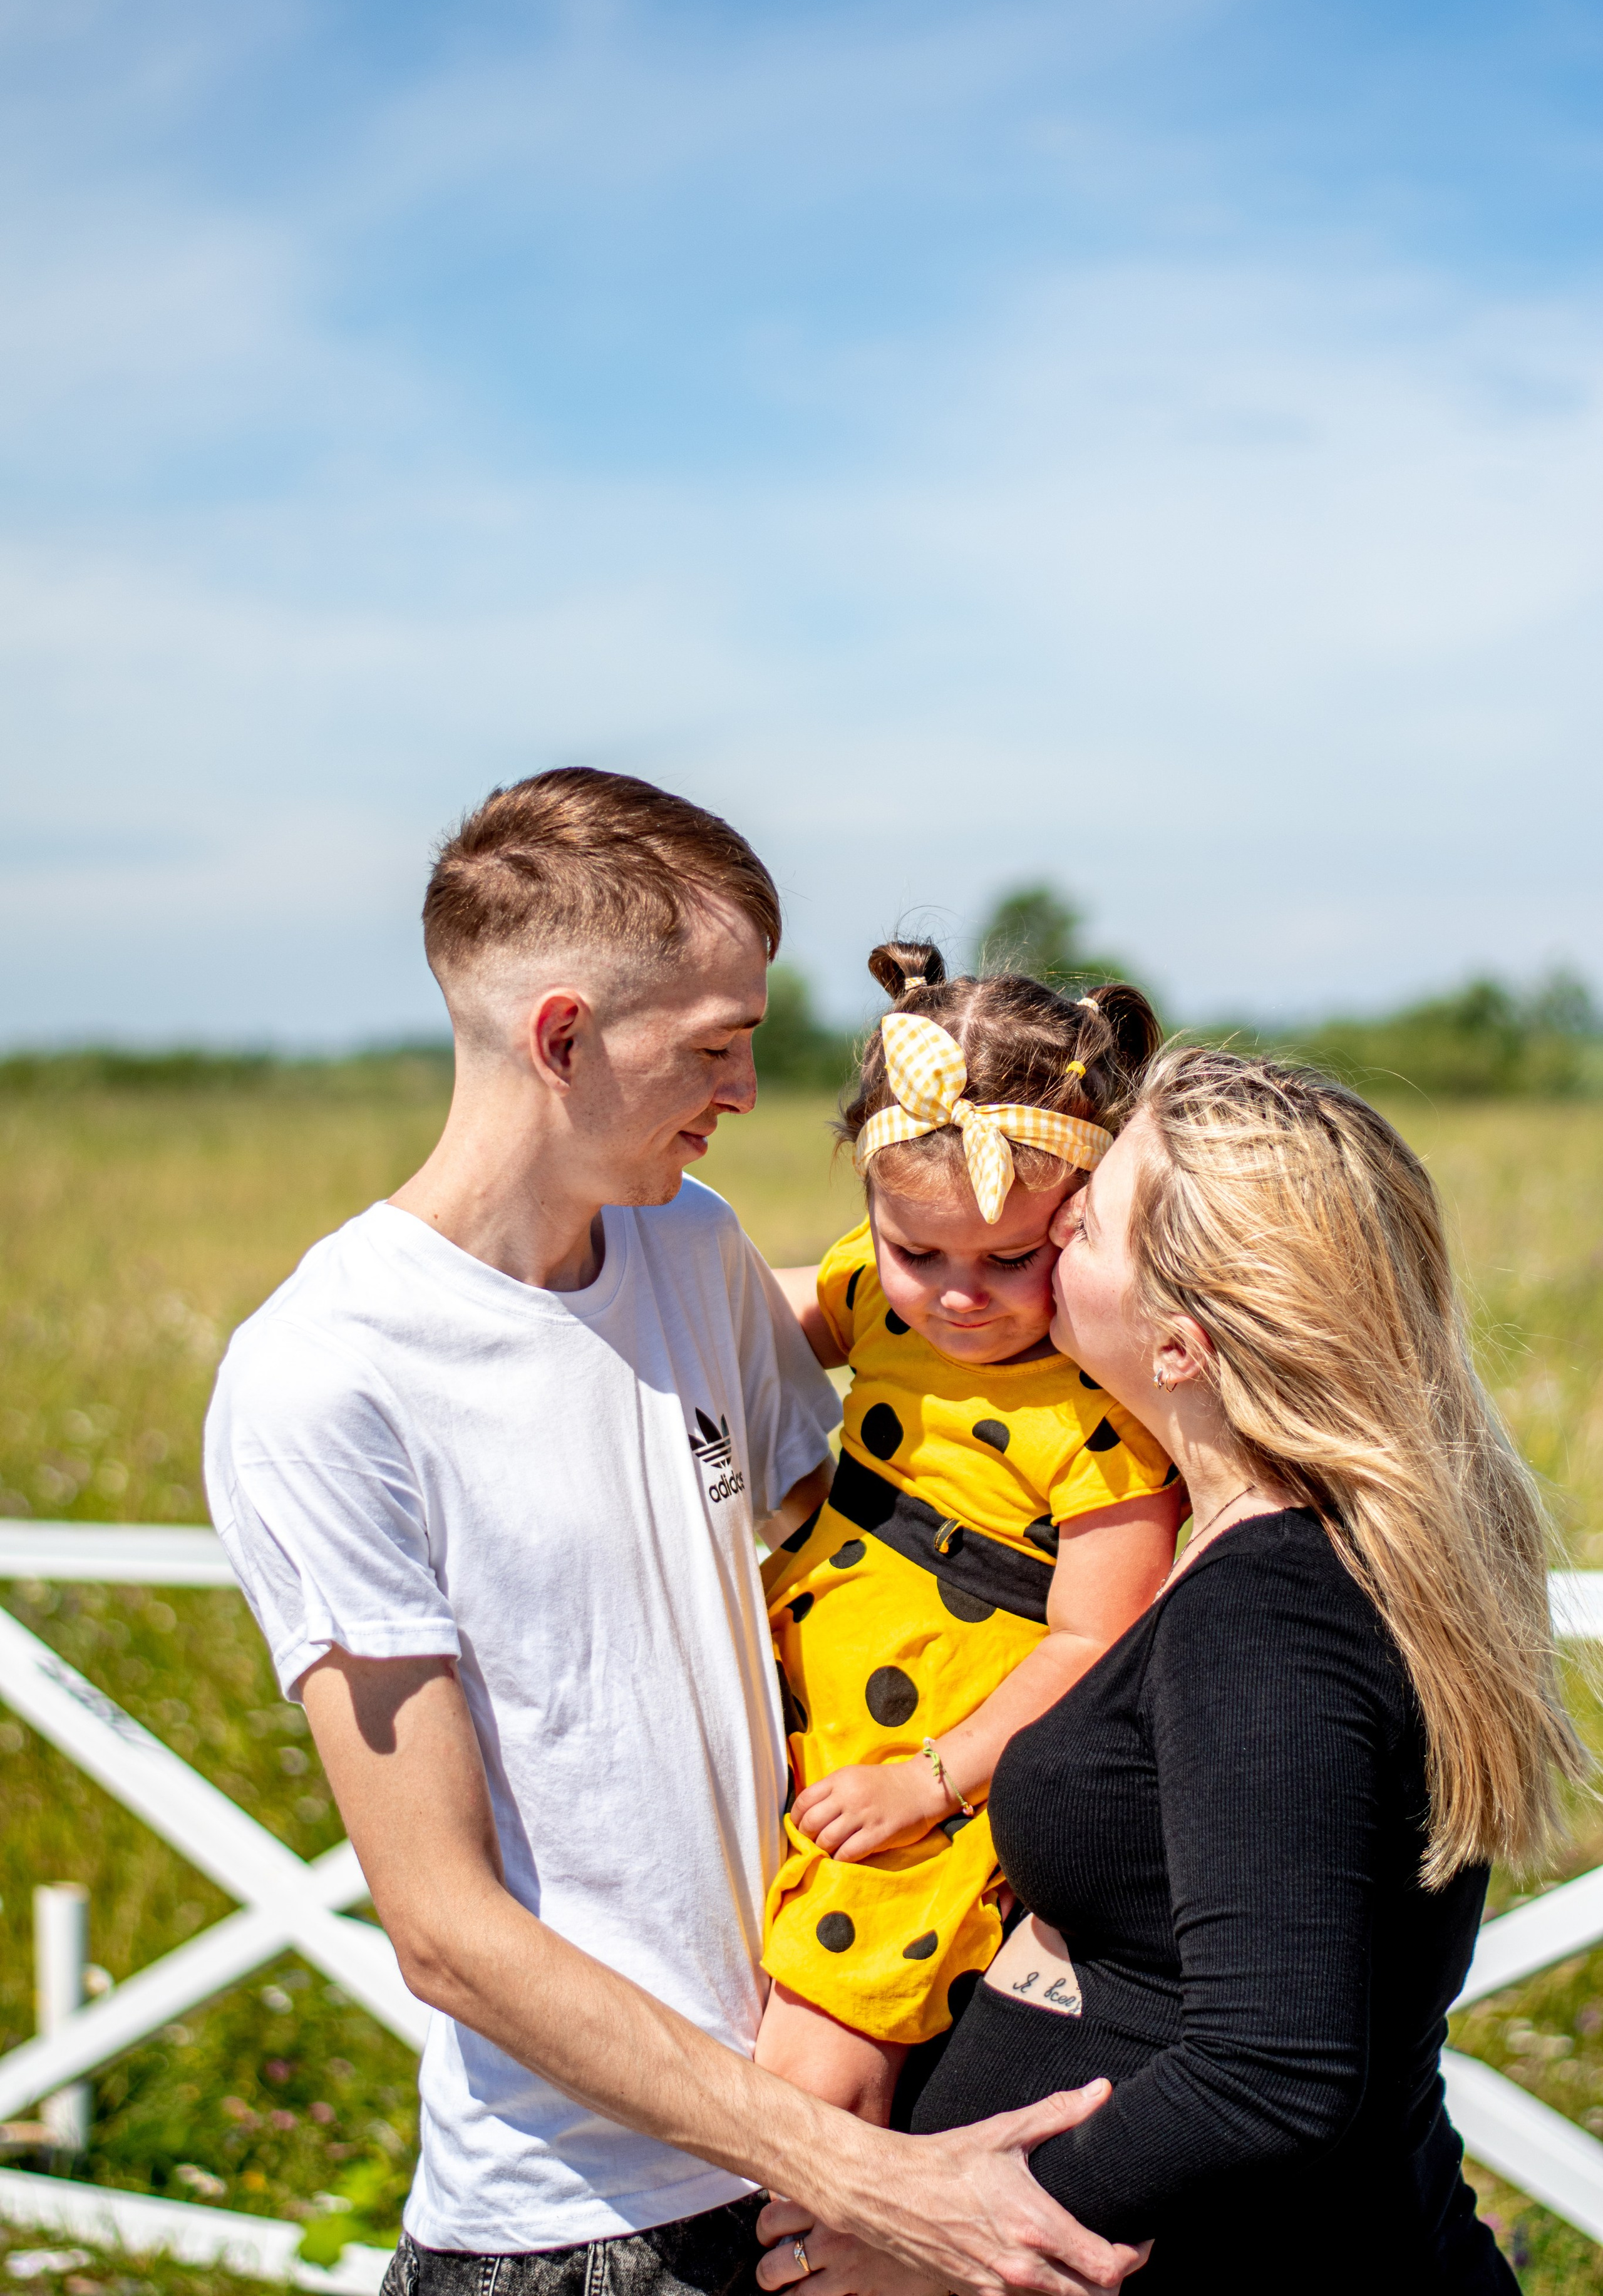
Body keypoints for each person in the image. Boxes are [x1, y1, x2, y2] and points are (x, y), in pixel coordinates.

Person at [204, 768, 1147, 2296]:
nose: (748, 1095)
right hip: (588, 2228)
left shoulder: (688, 1248)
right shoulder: (329, 1376)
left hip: (840, 2144)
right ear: (562, 1036)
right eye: (714, 1047)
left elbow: (879, 1560)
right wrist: (857, 2170)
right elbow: (443, 1930)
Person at [756, 1046, 1585, 2295]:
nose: (1032, 1255)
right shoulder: (1273, 1560)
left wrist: (960, 2232)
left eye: (1074, 1231)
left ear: (1182, 1343)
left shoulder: (1269, 1609)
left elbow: (1270, 2069)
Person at [755, 942, 1183, 2124]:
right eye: (916, 1251)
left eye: (1011, 1259)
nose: (957, 1293)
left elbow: (1092, 1644)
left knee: (816, 2082)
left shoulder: (1103, 1411)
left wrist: (930, 1784)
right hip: (791, 1724)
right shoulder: (871, 1297)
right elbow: (734, 1312)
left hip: (931, 1775)